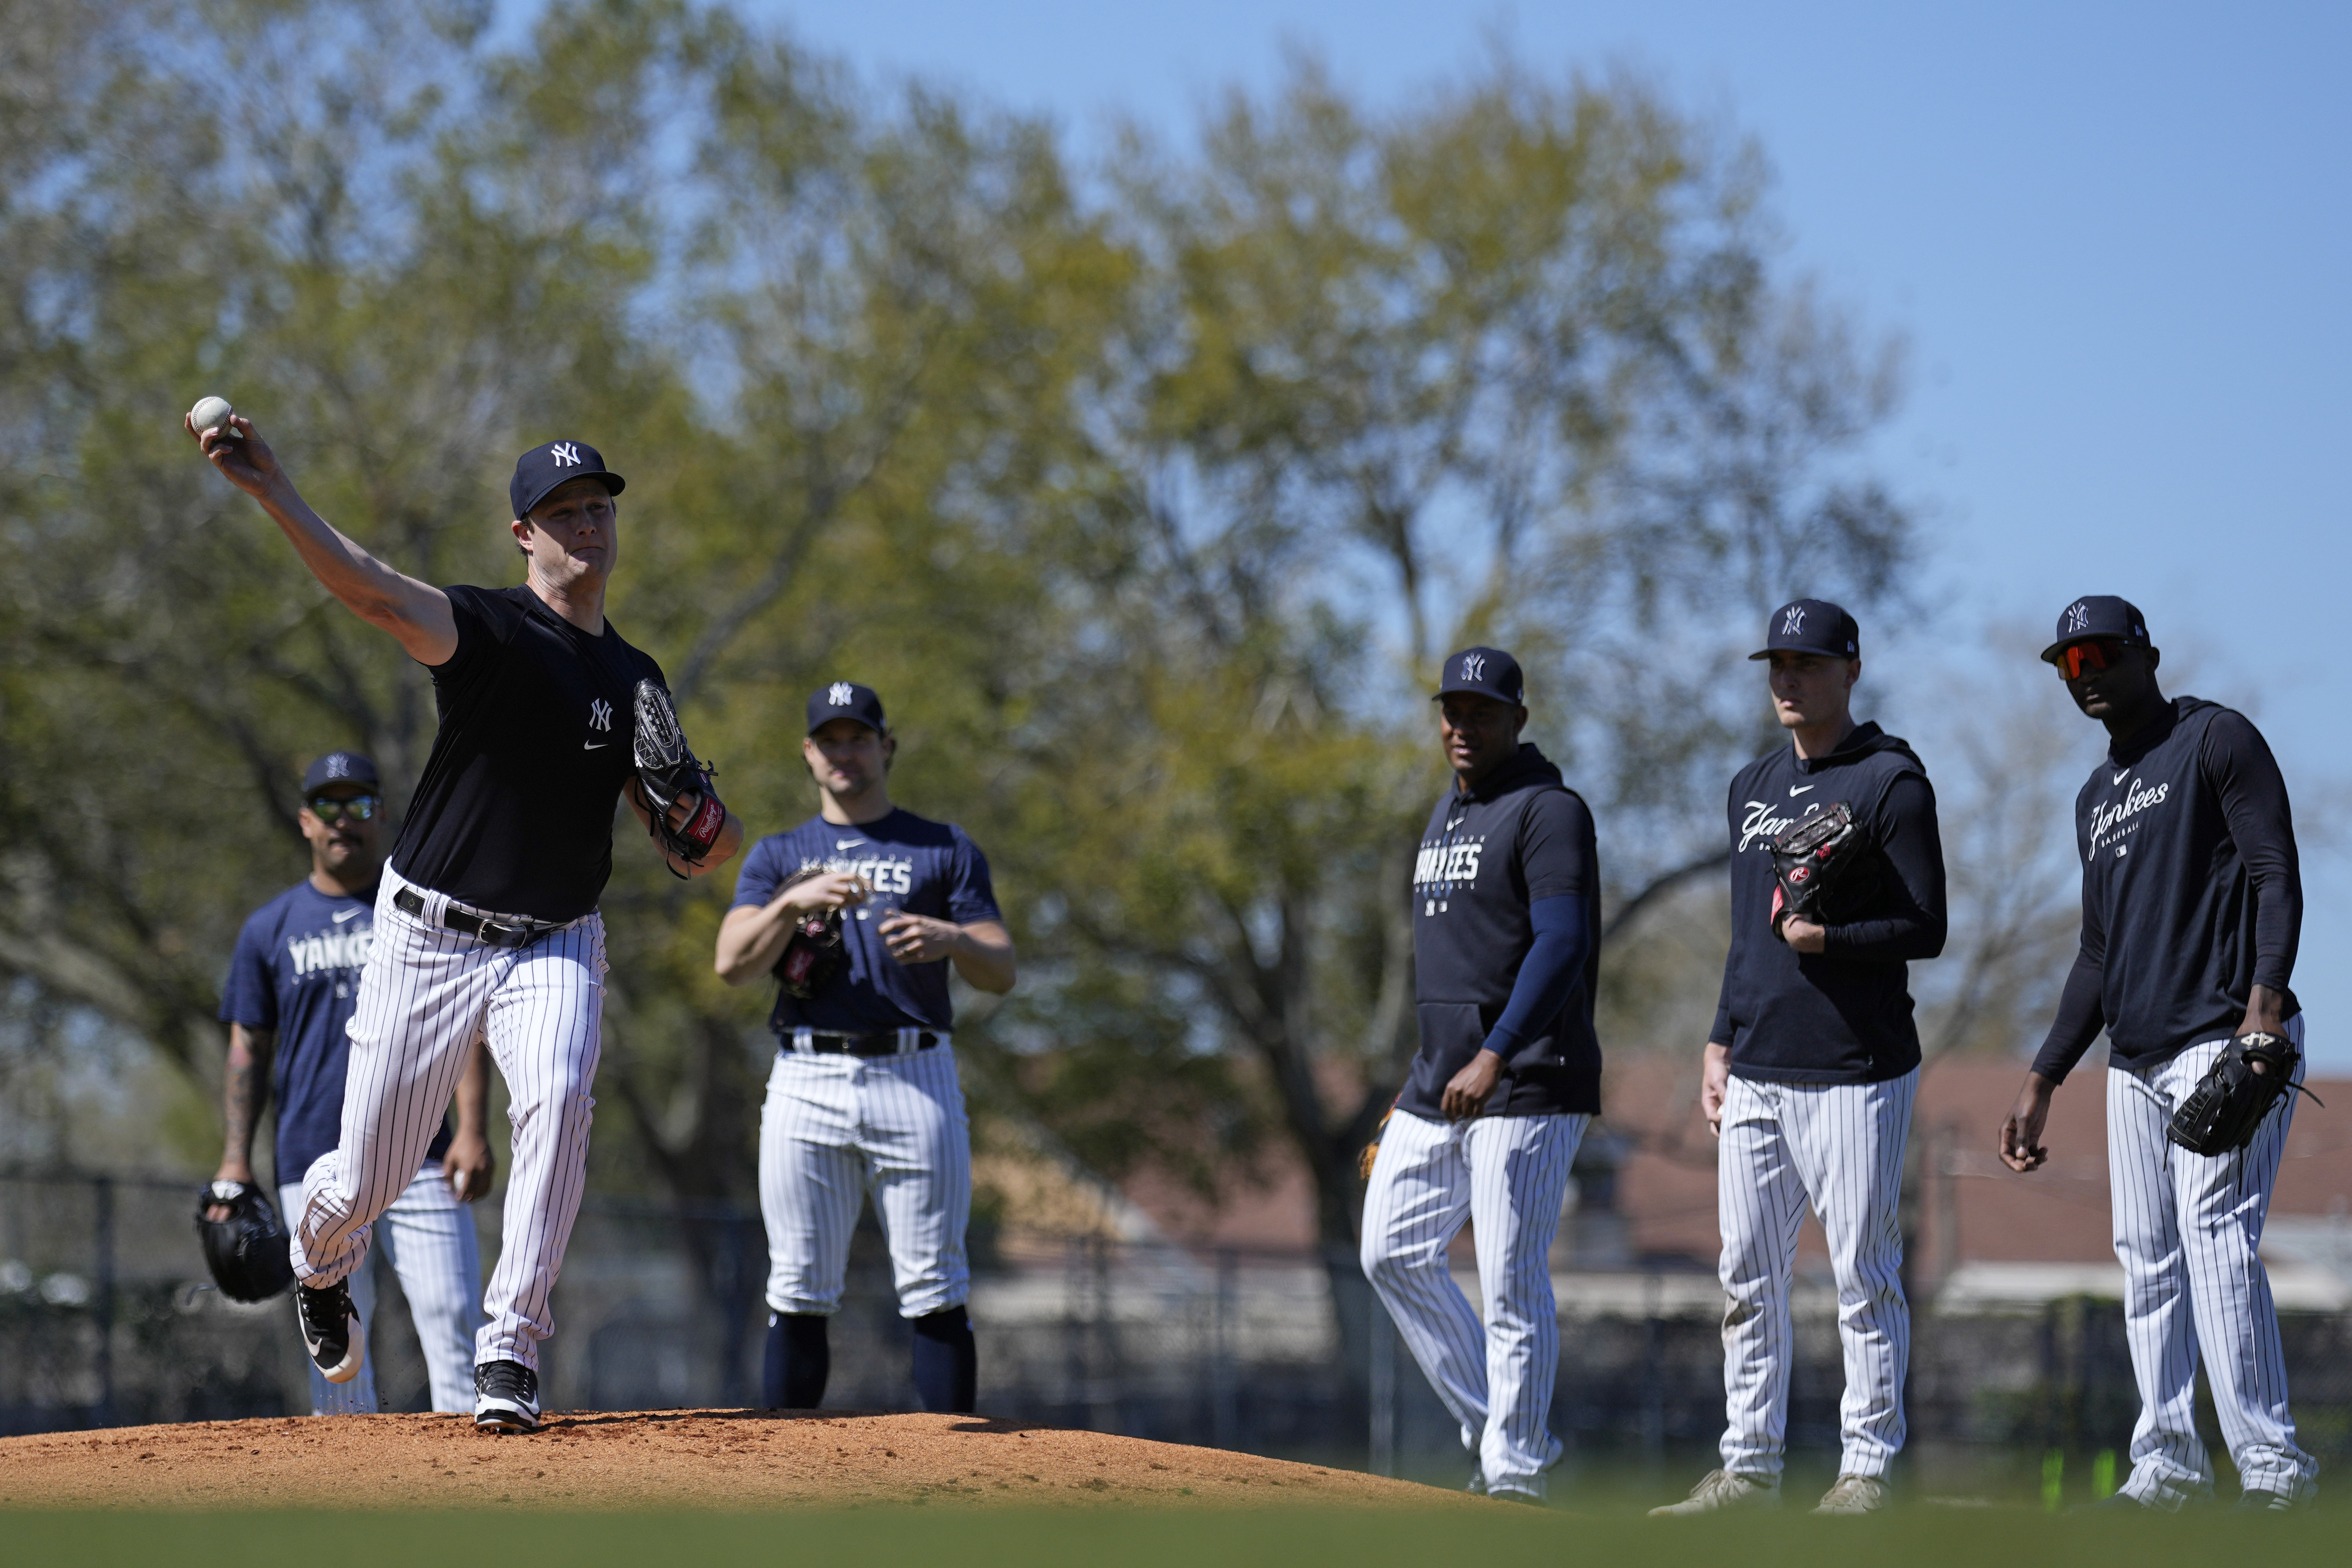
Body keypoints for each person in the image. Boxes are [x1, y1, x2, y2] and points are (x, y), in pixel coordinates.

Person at [189, 411, 743, 1432]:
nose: (585, 524)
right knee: (364, 1177)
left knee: (564, 1093)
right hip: (429, 933)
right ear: (522, 534)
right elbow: (366, 585)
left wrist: (700, 816)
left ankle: (511, 1348)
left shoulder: (635, 682)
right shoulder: (487, 630)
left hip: (556, 935)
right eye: (560, 512)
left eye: (596, 507)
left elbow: (706, 850)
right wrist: (275, 490)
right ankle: (321, 1263)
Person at [1998, 596, 2316, 1511]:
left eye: (2099, 653)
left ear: (2147, 655)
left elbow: (2274, 872)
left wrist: (2264, 1011)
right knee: (2146, 1251)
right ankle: (2170, 1462)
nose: (2084, 672)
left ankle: (2272, 1468)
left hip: (2225, 1035)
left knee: (2216, 1241)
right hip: (2133, 1061)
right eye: (2068, 662)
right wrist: (2044, 1075)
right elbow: (2098, 953)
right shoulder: (2096, 797)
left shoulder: (2217, 739)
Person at [1653, 599, 1946, 1518]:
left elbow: (1926, 926)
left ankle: (1867, 1468)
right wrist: (1718, 1033)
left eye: (1809, 663)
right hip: (1759, 1063)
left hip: (1857, 1067)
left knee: (1862, 1269)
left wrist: (1833, 938)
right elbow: (1750, 934)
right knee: (1746, 1271)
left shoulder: (1891, 781)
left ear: (1850, 670)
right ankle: (1748, 1467)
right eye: (1777, 663)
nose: (1789, 678)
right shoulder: (1751, 785)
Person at [715, 681, 1015, 1414]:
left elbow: (1001, 969)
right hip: (806, 1075)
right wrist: (790, 902)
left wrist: (950, 938)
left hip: (915, 1070)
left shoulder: (943, 847)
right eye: (830, 740)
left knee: (935, 1283)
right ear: (809, 754)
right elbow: (731, 963)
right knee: (797, 1284)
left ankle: (955, 1474)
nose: (844, 752)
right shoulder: (781, 853)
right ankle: (787, 1479)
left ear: (886, 746)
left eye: (859, 738)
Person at [1359, 647, 1602, 1505]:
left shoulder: (1549, 811)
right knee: (1388, 1249)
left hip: (1530, 1075)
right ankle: (1498, 1421)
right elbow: (1452, 970)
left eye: (1483, 713)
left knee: (1509, 1275)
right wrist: (1415, 1080)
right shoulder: (1447, 814)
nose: (1464, 726)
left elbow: (1561, 943)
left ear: (1519, 720)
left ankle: (1518, 1468)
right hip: (1438, 1082)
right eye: (1453, 711)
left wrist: (1495, 1049)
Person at [211, 750, 492, 1415]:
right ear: (307, 822)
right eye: (330, 807)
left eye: (361, 805)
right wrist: (233, 1161)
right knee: (335, 1354)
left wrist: (475, 1129)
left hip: (422, 1152)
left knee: (454, 1321)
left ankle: (479, 1494)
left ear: (382, 816)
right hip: (313, 1159)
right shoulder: (269, 929)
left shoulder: (420, 911)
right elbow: (246, 1048)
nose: (346, 821)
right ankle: (346, 1503)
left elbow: (464, 1023)